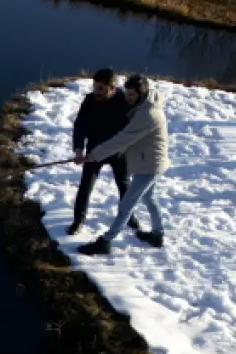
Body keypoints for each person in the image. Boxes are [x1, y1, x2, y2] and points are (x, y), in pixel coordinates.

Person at [77, 74, 169, 256]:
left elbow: (122, 140)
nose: (127, 98)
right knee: (150, 198)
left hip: (150, 165)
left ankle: (106, 242)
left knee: (126, 205)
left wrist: (95, 155)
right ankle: (158, 234)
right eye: (126, 93)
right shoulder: (145, 105)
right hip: (150, 161)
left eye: (132, 95)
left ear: (142, 94)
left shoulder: (148, 114)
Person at [68, 68, 136, 237]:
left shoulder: (124, 101)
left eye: (101, 88)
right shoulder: (89, 101)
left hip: (118, 153)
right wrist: (78, 150)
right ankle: (78, 220)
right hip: (94, 152)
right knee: (85, 187)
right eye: (95, 87)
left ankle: (129, 216)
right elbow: (80, 126)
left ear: (112, 88)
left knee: (124, 186)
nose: (96, 92)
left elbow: (131, 130)